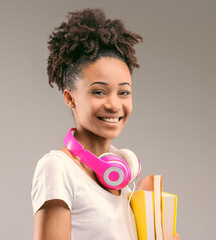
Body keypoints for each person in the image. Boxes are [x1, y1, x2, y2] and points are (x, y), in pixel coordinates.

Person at [31, 8, 181, 240]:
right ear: (70, 98)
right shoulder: (57, 168)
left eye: (123, 92)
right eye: (99, 92)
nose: (113, 104)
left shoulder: (123, 184)